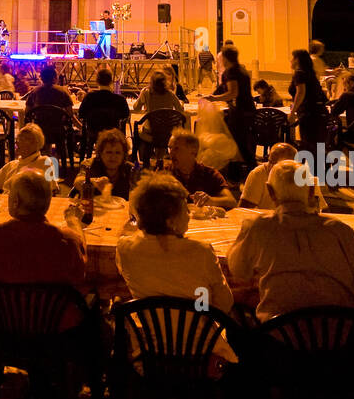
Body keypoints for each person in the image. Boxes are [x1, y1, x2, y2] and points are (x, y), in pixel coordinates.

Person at [227, 159, 354, 322]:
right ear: (311, 191)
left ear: (270, 191)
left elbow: (238, 271)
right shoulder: (340, 230)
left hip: (281, 338)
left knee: (235, 315)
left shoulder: (258, 228)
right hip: (338, 339)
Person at [0, 169, 87, 327]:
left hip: (1, 328)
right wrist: (74, 222)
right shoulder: (66, 241)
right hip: (54, 331)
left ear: (15, 201)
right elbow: (80, 274)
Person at [115, 172, 234, 313]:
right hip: (197, 333)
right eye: (185, 210)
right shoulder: (202, 252)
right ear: (170, 220)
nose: (189, 215)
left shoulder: (125, 248)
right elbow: (225, 304)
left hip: (148, 332)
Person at [238, 141, 329, 212]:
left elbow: (321, 209)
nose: (271, 166)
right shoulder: (259, 173)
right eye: (270, 161)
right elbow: (244, 209)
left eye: (276, 164)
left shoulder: (304, 176)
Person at [164, 127, 236, 209]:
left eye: (176, 148)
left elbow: (232, 202)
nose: (171, 153)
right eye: (170, 148)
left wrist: (211, 200)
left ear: (193, 151)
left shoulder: (209, 174)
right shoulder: (165, 173)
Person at [211, 46, 256, 167]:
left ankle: (249, 169)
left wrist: (213, 99)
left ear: (225, 58)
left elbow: (233, 92)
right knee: (242, 141)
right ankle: (243, 168)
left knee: (238, 142)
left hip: (240, 112)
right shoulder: (241, 69)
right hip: (248, 109)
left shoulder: (231, 72)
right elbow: (223, 89)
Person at [71, 127, 138, 201]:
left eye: (118, 153)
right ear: (100, 153)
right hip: (95, 210)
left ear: (123, 155)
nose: (113, 157)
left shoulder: (130, 169)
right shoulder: (89, 164)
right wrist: (95, 182)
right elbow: (77, 182)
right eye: (109, 152)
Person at [0, 122, 55, 193]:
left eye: (23, 139)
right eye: (18, 138)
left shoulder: (44, 162)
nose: (17, 142)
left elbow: (52, 192)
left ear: (35, 144)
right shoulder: (12, 165)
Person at [287, 49, 327, 153]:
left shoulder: (299, 73)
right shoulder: (310, 73)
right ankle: (320, 168)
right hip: (319, 112)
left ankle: (313, 168)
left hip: (308, 114)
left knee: (309, 144)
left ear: (297, 60)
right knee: (318, 146)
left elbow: (300, 93)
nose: (290, 61)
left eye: (292, 58)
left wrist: (292, 112)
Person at [78, 68, 130, 133]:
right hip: (112, 135)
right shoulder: (120, 99)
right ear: (111, 81)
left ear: (97, 81)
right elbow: (126, 115)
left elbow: (81, 114)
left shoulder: (89, 97)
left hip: (93, 134)